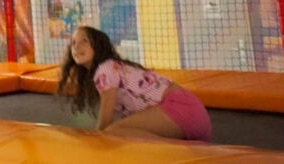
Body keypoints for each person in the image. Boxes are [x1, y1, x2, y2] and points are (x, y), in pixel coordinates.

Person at [57, 25, 212, 141]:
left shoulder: (105, 70)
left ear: (97, 46)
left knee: (113, 132)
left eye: (84, 41)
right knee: (122, 132)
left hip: (183, 109)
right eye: (73, 43)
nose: (77, 47)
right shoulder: (109, 68)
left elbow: (104, 122)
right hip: (192, 113)